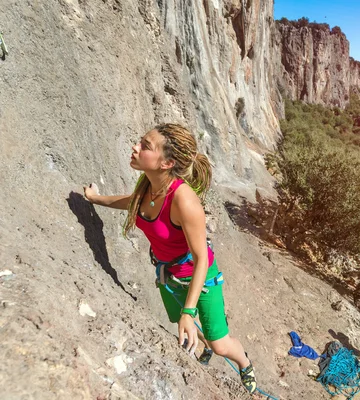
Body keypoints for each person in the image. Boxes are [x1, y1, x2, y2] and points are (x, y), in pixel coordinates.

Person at [83, 123, 256, 394]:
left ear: (167, 163)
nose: (135, 147)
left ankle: (244, 362)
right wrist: (96, 199)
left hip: (201, 275)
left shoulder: (184, 201)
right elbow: (131, 202)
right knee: (186, 328)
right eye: (139, 142)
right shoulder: (147, 187)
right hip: (169, 276)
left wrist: (189, 310)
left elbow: (200, 259)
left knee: (219, 343)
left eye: (145, 146)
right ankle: (204, 343)